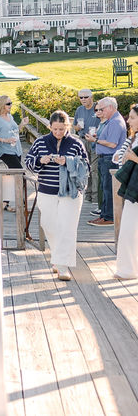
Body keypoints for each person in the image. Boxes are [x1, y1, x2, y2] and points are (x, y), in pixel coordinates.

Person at [24, 110, 89, 281]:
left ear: (67, 126)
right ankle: (57, 257)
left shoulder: (76, 143)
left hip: (71, 192)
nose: (58, 133)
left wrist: (67, 161)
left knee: (67, 228)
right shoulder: (40, 142)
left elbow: (86, 167)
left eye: (61, 129)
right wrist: (41, 161)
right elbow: (28, 163)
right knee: (49, 225)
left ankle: (62, 266)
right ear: (50, 127)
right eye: (55, 129)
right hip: (47, 191)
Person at [86, 97, 127, 226]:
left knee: (108, 189)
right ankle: (104, 215)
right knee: (104, 188)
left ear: (110, 107)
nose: (100, 112)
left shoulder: (115, 122)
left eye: (102, 109)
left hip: (110, 159)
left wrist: (95, 141)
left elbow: (112, 143)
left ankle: (109, 217)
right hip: (106, 158)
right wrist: (97, 137)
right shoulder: (111, 121)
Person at [0, 95, 27, 212]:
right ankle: (22, 204)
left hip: (16, 150)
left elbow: (14, 131)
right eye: (8, 104)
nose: (10, 105)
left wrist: (22, 125)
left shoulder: (9, 116)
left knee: (12, 177)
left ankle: (5, 202)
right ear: (2, 105)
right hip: (6, 152)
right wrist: (5, 140)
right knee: (20, 175)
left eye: (11, 103)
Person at [114, 104, 138, 279]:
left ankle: (128, 270)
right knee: (129, 230)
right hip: (133, 189)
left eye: (132, 117)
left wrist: (133, 158)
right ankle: (128, 269)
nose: (128, 120)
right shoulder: (134, 137)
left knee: (129, 230)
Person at [74, 89, 100, 203]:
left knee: (95, 170)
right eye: (81, 97)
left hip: (95, 141)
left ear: (91, 97)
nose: (83, 99)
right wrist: (78, 127)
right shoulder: (79, 110)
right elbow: (74, 126)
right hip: (83, 141)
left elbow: (105, 122)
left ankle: (95, 197)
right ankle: (88, 194)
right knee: (86, 169)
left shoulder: (98, 108)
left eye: (85, 97)